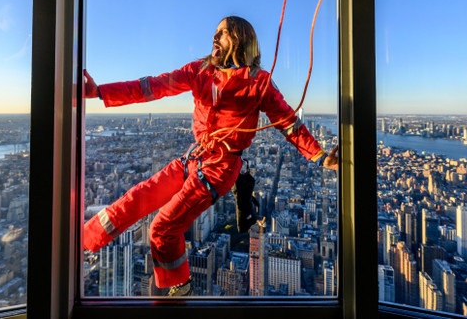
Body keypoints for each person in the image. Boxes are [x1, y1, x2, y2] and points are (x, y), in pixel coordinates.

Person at [83, 16, 339, 296]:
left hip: (221, 167)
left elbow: (288, 122)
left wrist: (320, 156)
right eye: (215, 33)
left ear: (240, 40)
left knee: (162, 227)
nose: (214, 38)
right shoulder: (200, 71)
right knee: (136, 198)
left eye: (223, 33)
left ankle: (178, 288)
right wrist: (99, 92)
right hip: (194, 157)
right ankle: (82, 240)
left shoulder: (258, 83)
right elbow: (152, 87)